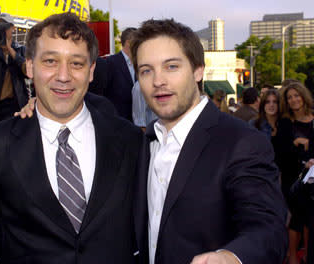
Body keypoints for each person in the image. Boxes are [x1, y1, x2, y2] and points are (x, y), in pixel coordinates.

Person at [0, 12, 142, 264]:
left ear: (91, 71)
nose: (63, 75)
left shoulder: (130, 140)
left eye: (77, 63)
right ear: (29, 66)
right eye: (50, 61)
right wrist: (24, 247)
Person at [130, 18, 288, 264]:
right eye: (146, 70)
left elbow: (268, 228)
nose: (158, 80)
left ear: (198, 70)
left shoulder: (242, 142)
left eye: (171, 66)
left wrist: (232, 257)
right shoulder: (143, 142)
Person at [276, 82, 314, 264]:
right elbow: (280, 153)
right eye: (289, 97)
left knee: (309, 217)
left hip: (312, 177)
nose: (293, 100)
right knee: (297, 217)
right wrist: (294, 143)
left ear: (303, 96)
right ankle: (292, 256)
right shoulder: (285, 122)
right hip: (293, 178)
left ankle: (306, 254)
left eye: (296, 95)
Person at [104, 27, 137, 122]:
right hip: (118, 121)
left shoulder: (140, 63)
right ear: (128, 42)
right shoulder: (111, 62)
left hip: (139, 123)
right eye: (138, 41)